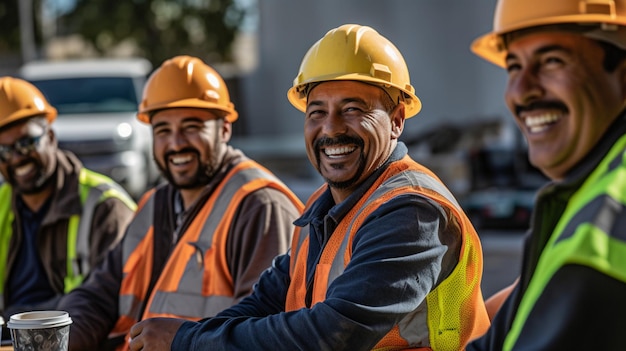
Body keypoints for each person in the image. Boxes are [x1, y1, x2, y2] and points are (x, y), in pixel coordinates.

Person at [128, 24, 490, 351]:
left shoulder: (412, 212)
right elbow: (266, 301)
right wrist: (187, 337)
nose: (331, 129)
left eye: (351, 109)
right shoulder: (324, 206)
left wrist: (187, 342)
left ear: (396, 121)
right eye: (316, 112)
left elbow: (333, 334)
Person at [56, 55, 304, 351]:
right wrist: (58, 339)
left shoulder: (259, 206)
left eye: (191, 127)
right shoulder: (154, 204)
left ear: (224, 129)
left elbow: (259, 332)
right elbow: (97, 294)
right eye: (163, 130)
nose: (175, 143)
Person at [467, 0, 626, 349]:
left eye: (552, 61)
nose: (521, 91)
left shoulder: (606, 213)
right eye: (513, 67)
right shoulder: (584, 191)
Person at [0, 77, 137, 338]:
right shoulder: (2, 202)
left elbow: (108, 305)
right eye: (3, 151)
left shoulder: (105, 207)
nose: (16, 158)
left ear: (50, 136)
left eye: (25, 143)